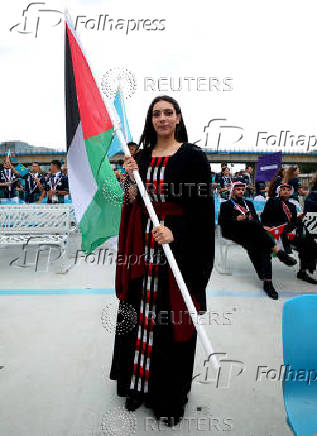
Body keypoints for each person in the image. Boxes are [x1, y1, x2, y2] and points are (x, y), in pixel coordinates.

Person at [110, 95, 215, 426]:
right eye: (156, 113)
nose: (162, 118)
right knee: (140, 318)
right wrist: (129, 179)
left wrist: (176, 234)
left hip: (176, 256)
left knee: (168, 323)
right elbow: (132, 203)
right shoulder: (139, 157)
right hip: (143, 251)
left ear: (179, 117)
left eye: (168, 112)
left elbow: (202, 213)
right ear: (150, 119)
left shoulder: (194, 157)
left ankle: (167, 396)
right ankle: (137, 386)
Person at [219, 181, 297, 300]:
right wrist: (236, 218)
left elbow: (255, 218)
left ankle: (268, 283)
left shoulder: (249, 203)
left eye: (242, 189)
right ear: (233, 190)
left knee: (261, 246)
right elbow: (223, 223)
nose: (241, 191)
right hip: (234, 231)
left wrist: (262, 226)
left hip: (251, 233)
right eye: (238, 189)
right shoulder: (226, 205)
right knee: (256, 229)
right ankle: (279, 252)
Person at [261, 183, 317, 284]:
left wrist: (298, 219)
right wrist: (269, 226)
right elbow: (264, 218)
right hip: (277, 232)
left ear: (290, 192)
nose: (286, 191)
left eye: (288, 189)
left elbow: (294, 221)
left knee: (309, 243)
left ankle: (303, 272)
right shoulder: (272, 202)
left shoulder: (292, 205)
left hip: (290, 232)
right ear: (279, 191)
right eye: (283, 189)